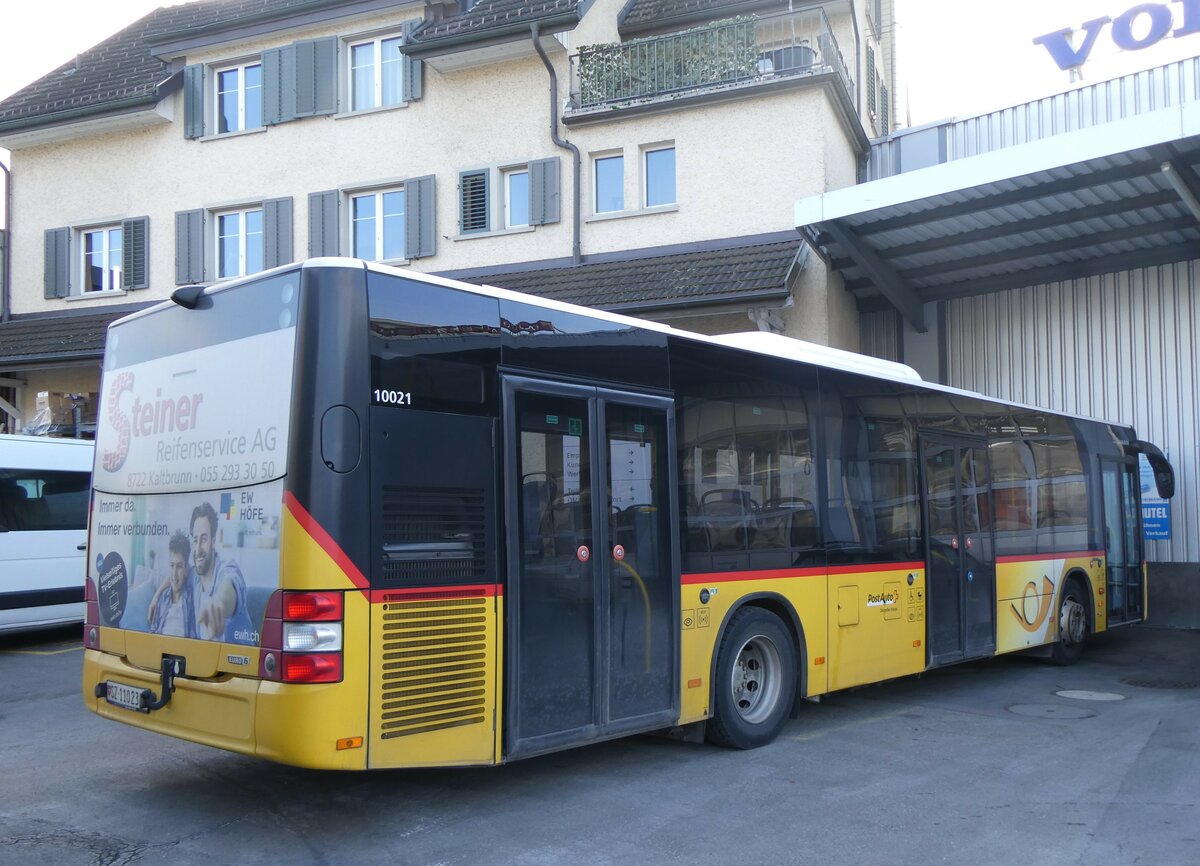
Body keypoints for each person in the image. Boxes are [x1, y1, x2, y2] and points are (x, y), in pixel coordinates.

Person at [189, 501, 253, 644]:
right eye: (195, 540)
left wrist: (218, 603)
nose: (198, 549)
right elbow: (176, 573)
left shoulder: (228, 569)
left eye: (203, 539)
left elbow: (228, 586)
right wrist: (157, 595)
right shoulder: (195, 578)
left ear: (213, 540)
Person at [148, 531, 197, 637]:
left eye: (179, 566)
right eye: (172, 565)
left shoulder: (191, 598)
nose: (174, 573)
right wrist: (156, 595)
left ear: (186, 568)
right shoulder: (163, 598)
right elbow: (153, 630)